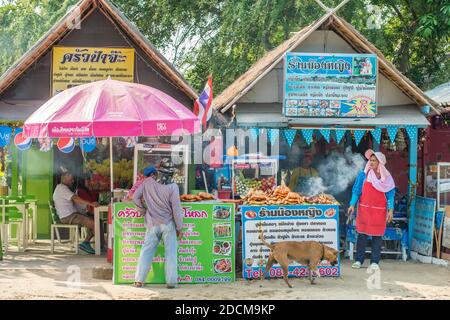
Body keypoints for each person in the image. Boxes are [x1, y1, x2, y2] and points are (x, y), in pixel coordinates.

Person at [133, 166, 183, 289]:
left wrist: (143, 211)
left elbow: (135, 197)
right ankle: (171, 282)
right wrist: (179, 228)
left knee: (146, 252)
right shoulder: (173, 187)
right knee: (170, 253)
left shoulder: (146, 183)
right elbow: (176, 209)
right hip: (167, 224)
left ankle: (139, 280)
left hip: (151, 223)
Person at [347, 149, 395, 270]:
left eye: (374, 160)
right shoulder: (363, 175)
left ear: (380, 163)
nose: (371, 162)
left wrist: (390, 210)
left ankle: (374, 262)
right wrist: (352, 204)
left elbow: (390, 195)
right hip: (364, 210)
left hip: (379, 211)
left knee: (377, 236)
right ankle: (359, 260)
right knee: (361, 235)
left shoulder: (387, 178)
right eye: (370, 160)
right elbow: (357, 191)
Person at [53, 172, 101, 254]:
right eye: (71, 179)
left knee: (97, 221)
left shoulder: (62, 188)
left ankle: (98, 245)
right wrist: (91, 204)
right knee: (95, 224)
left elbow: (75, 201)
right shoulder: (62, 188)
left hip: (72, 215)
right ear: (65, 177)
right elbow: (75, 198)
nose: (72, 181)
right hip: (68, 217)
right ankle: (85, 243)